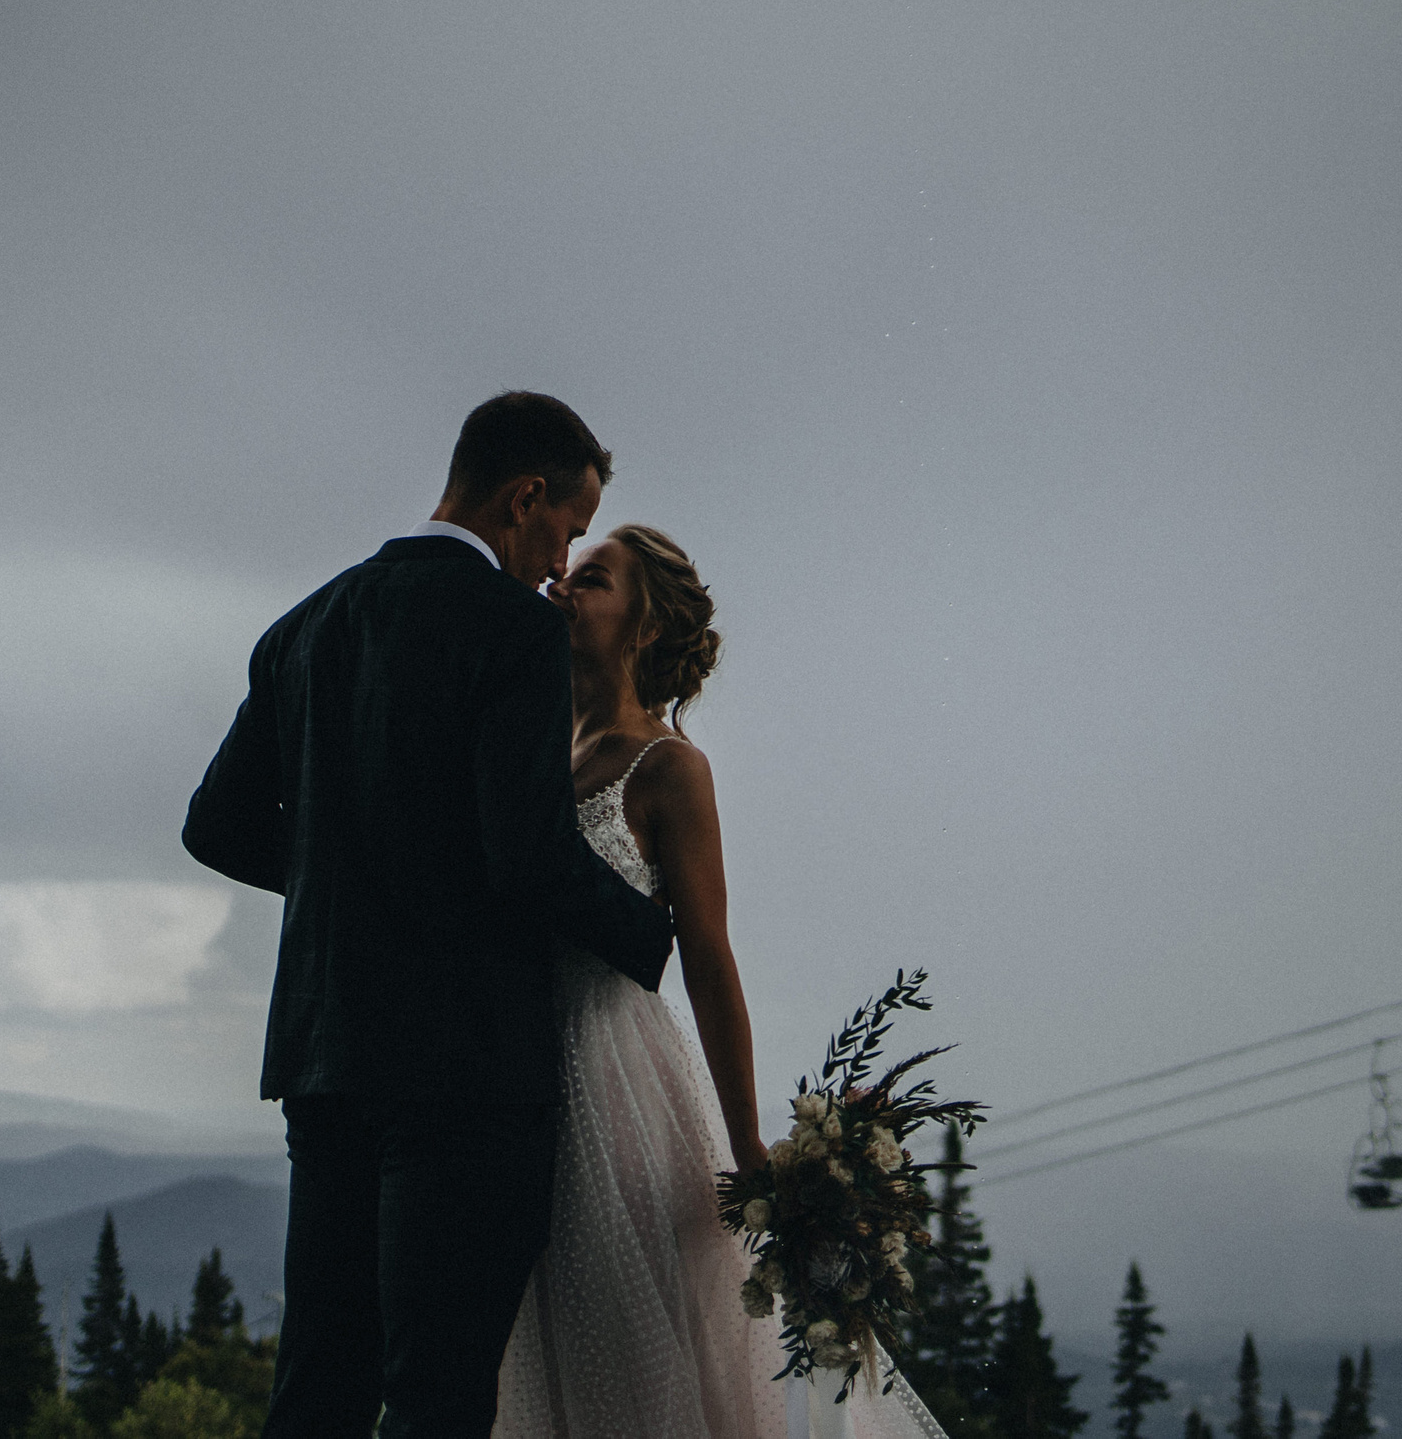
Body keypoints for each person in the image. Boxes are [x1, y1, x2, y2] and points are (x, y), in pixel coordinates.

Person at [183, 391, 676, 1439]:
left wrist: (350, 873)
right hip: (466, 1076)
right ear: (524, 496)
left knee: (317, 1388)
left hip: (326, 1060)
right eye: (567, 529)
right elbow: (525, 856)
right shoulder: (508, 630)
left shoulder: (303, 627)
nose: (560, 560)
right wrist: (647, 930)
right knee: (438, 1395)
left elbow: (216, 829)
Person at [494, 525, 947, 1439]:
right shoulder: (527, 755)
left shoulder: (669, 769)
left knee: (629, 1353)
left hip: (616, 1081)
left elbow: (709, 962)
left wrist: (747, 1150)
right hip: (513, 1082)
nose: (563, 586)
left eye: (594, 579)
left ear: (646, 625)